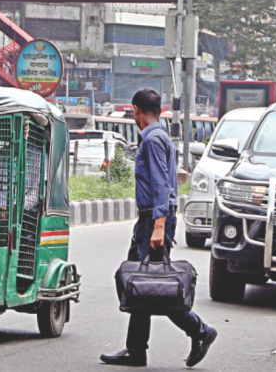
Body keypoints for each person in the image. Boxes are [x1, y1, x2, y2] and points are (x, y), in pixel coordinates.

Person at [101, 88, 217, 368]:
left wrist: (159, 225)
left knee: (150, 284)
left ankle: (199, 330)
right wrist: (163, 224)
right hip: (153, 219)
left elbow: (160, 184)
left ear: (136, 111)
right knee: (141, 281)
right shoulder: (160, 136)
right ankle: (136, 350)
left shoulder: (152, 139)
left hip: (152, 219)